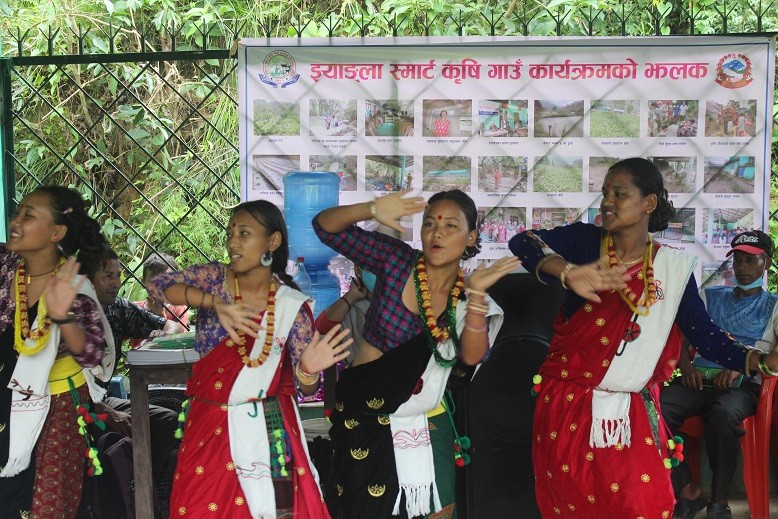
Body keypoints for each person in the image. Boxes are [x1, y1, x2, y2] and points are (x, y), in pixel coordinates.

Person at [508, 157, 778, 519]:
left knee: (645, 503)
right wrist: (567, 272)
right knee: (572, 506)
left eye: (620, 193)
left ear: (648, 203)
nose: (607, 202)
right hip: (569, 402)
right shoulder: (583, 241)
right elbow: (522, 240)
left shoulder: (672, 268)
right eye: (605, 193)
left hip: (632, 409)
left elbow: (703, 334)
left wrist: (756, 361)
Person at [314, 189, 520, 518]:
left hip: (427, 423)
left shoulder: (467, 297)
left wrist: (478, 296)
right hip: (362, 419)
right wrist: (370, 209)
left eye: (451, 226)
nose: (437, 232)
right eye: (429, 224)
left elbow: (471, 356)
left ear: (472, 237)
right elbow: (325, 227)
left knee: (435, 511)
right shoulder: (396, 261)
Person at [148, 199, 351, 518]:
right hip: (208, 422)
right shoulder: (215, 277)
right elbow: (159, 285)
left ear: (273, 241)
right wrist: (215, 303)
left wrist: (309, 371)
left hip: (267, 430)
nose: (233, 241)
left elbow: (306, 389)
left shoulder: (291, 306)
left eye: (244, 233)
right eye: (230, 233)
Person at [0, 186, 113, 518]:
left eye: (28, 215)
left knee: (46, 508)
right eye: (18, 213)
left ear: (57, 232)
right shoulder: (5, 267)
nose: (16, 221)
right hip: (7, 400)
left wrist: (62, 316)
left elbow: (93, 355)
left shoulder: (75, 287)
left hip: (57, 410)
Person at [662, 230, 778, 519]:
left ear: (767, 263)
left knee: (723, 414)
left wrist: (740, 366)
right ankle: (687, 487)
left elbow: (773, 361)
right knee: (654, 409)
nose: (742, 266)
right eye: (738, 259)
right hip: (696, 379)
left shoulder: (774, 304)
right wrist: (685, 366)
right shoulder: (710, 294)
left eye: (751, 261)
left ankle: (719, 500)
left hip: (742, 385)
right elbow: (685, 334)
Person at [79, 244, 183, 485]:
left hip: (103, 399)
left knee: (169, 420)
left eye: (118, 276)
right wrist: (105, 411)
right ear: (87, 279)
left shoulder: (118, 308)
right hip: (73, 403)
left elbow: (173, 326)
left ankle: (139, 489)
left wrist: (165, 333)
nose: (116, 283)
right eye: (108, 276)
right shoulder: (71, 313)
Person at [314, 266, 373, 366]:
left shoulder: (404, 303)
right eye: (373, 268)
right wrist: (351, 295)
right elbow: (321, 331)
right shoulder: (351, 311)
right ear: (357, 270)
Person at [130, 252, 189, 349]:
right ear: (143, 282)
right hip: (140, 362)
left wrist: (161, 315)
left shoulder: (179, 309)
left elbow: (180, 341)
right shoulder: (135, 309)